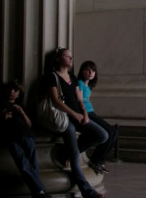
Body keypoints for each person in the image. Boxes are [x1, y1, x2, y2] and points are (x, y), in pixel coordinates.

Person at [45, 48, 106, 198]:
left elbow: (80, 99)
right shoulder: (52, 77)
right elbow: (55, 100)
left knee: (102, 135)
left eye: (71, 56)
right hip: (66, 119)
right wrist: (74, 114)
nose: (71, 59)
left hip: (79, 116)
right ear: (58, 58)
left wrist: (85, 114)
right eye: (67, 56)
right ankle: (87, 191)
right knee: (75, 157)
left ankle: (68, 152)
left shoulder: (72, 77)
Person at [0, 79, 50, 198]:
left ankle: (38, 192)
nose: (11, 91)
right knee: (23, 163)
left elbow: (29, 124)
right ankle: (40, 191)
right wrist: (2, 116)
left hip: (27, 135)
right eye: (10, 89)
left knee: (32, 165)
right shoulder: (1, 103)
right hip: (11, 136)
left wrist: (22, 113)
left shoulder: (21, 106)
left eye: (15, 90)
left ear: (19, 93)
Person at [77, 61, 118, 174]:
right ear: (82, 71)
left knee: (113, 132)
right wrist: (85, 113)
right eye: (88, 69)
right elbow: (79, 100)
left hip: (91, 112)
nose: (90, 72)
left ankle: (100, 160)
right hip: (86, 113)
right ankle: (97, 160)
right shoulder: (79, 83)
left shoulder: (88, 85)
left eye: (93, 70)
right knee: (108, 132)